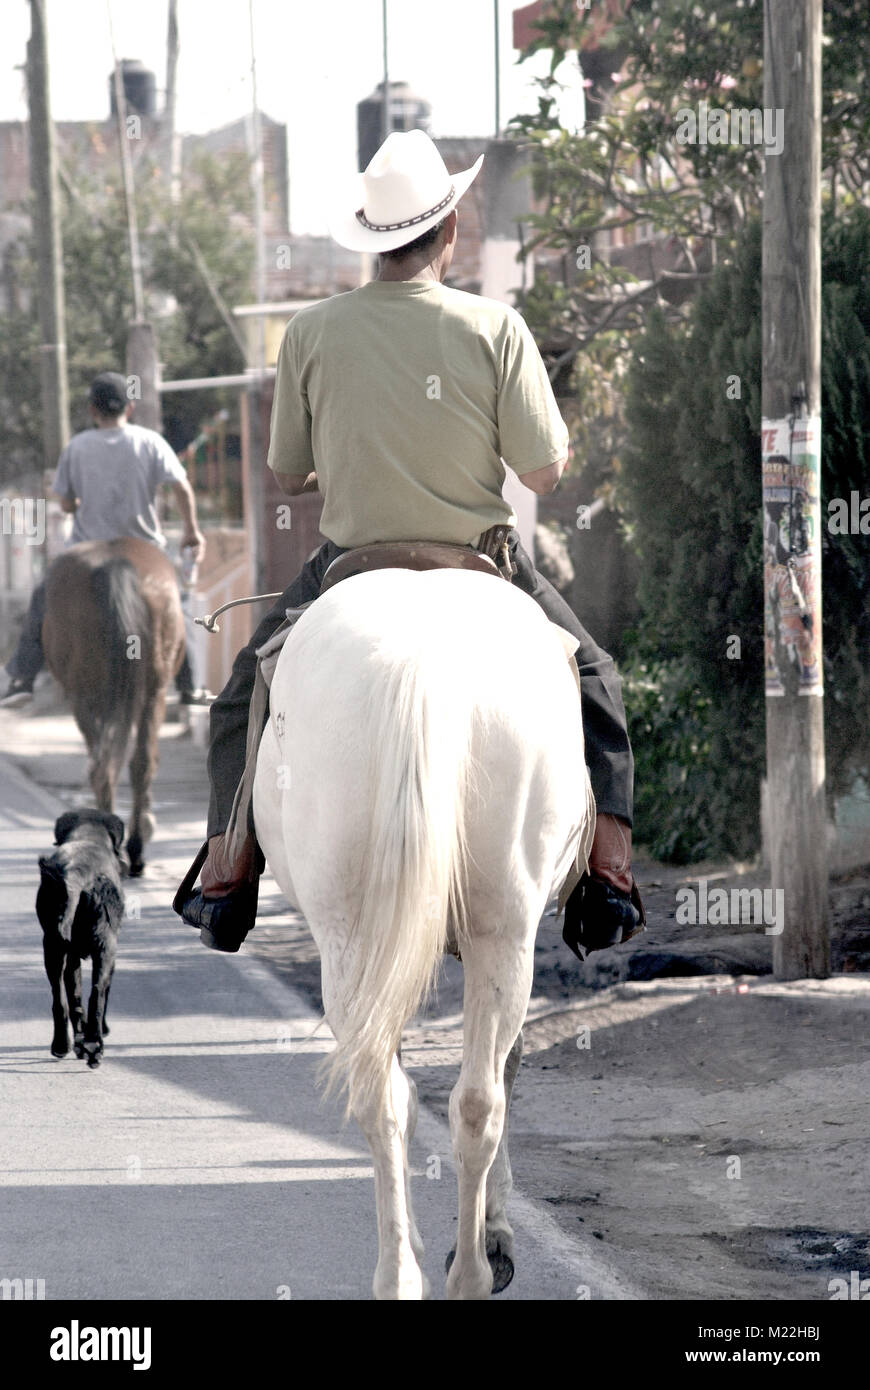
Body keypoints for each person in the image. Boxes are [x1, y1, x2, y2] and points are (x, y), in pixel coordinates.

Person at [176, 130, 644, 959]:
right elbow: (541, 473)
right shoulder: (495, 326)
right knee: (596, 678)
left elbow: (289, 474)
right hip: (481, 559)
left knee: (239, 700)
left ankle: (226, 873)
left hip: (350, 566)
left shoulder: (311, 332)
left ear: (370, 240)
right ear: (451, 230)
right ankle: (609, 876)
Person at [0, 372, 212, 709]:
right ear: (128, 408)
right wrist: (190, 529)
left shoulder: (77, 446)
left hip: (87, 550)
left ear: (92, 411)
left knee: (43, 597)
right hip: (144, 546)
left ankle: (22, 678)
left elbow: (66, 503)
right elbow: (182, 487)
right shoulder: (150, 441)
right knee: (179, 604)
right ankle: (190, 685)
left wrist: (81, 503)